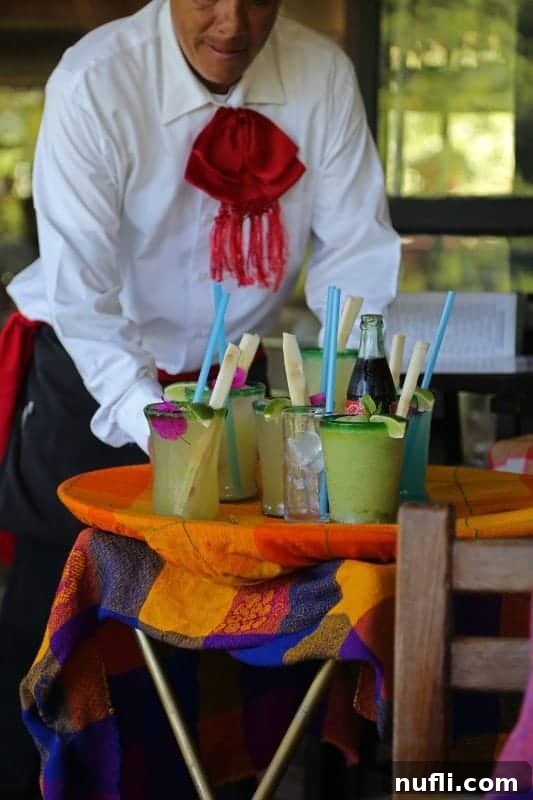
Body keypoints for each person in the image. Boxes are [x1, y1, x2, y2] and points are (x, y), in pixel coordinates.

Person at [0, 0, 401, 797]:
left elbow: (355, 250)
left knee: (224, 626)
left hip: (235, 375)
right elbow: (83, 295)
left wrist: (348, 388)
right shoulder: (97, 77)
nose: (232, 21)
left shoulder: (319, 73)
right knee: (59, 622)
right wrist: (164, 427)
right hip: (97, 373)